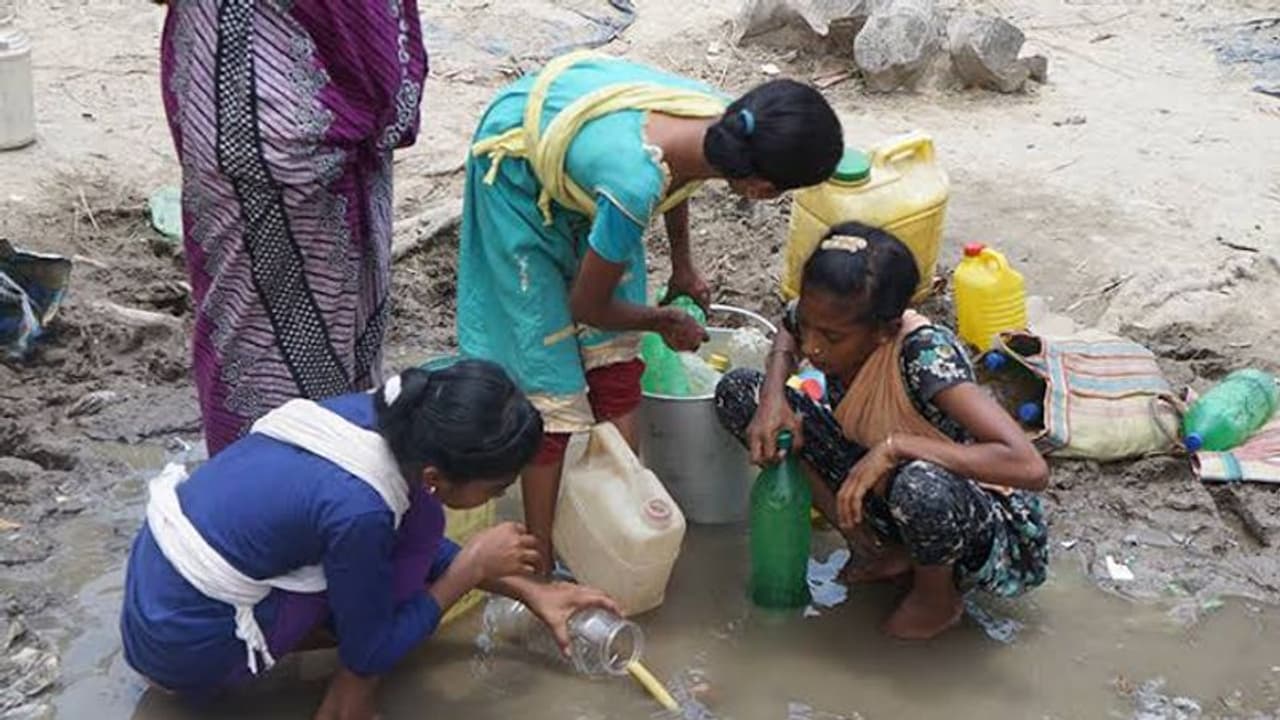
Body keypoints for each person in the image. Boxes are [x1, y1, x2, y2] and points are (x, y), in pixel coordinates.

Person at [457, 50, 844, 571]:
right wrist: (661, 321)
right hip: (518, 171)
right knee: (548, 382)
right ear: (761, 189)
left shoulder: (730, 128)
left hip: (602, 158)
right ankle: (541, 558)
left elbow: (677, 177)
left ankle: (622, 523)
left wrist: (683, 265)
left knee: (616, 363)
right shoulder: (632, 182)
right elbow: (589, 306)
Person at [121, 360, 619, 720]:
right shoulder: (361, 509)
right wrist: (467, 571)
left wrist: (531, 590)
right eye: (496, 487)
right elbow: (371, 647)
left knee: (412, 536)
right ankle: (337, 697)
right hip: (181, 648)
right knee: (380, 622)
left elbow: (415, 544)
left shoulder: (387, 419)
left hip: (156, 594)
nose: (502, 494)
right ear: (435, 475)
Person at [714, 223, 1050, 640]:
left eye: (832, 337)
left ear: (884, 331)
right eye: (810, 328)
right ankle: (869, 546)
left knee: (920, 483)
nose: (814, 348)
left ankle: (936, 598)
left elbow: (1029, 466)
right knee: (739, 393)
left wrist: (896, 448)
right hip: (878, 485)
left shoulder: (924, 357)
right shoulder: (823, 317)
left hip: (970, 516)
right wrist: (773, 398)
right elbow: (789, 327)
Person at [159, 0, 430, 455]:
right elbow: (369, 35)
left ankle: (267, 492)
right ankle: (289, 492)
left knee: (251, 330)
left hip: (233, 99)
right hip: (293, 127)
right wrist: (391, 110)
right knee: (280, 358)